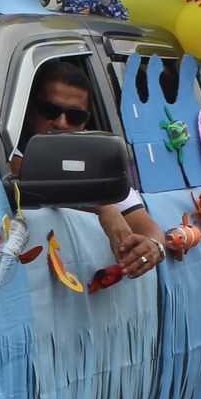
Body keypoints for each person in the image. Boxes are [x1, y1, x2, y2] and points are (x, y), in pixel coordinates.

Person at [16, 59, 163, 278]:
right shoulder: (8, 152)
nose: (62, 123)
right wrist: (103, 208)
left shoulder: (98, 165)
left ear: (86, 122)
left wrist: (152, 246)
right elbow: (27, 176)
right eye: (49, 110)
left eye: (75, 115)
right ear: (29, 111)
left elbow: (147, 226)